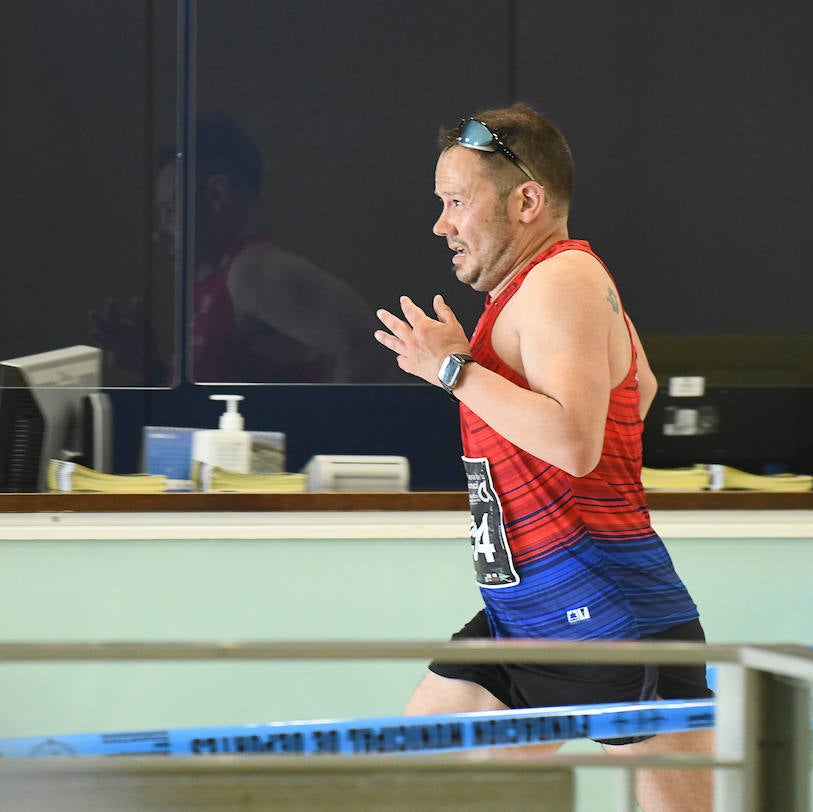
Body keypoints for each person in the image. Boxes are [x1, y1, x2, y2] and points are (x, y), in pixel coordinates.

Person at [373, 104, 712, 811]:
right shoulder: (534, 290)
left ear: (527, 200)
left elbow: (576, 443)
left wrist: (454, 372)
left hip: (613, 616)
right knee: (406, 775)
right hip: (527, 615)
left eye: (457, 202)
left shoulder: (564, 281)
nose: (441, 225)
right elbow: (636, 390)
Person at [89, 115, 390, 384]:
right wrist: (150, 371)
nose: (159, 233)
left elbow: (368, 345)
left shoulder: (252, 272)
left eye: (170, 210)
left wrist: (331, 441)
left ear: (216, 196)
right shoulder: (214, 281)